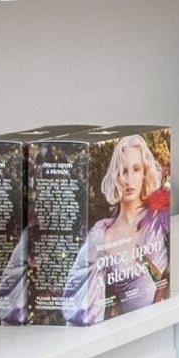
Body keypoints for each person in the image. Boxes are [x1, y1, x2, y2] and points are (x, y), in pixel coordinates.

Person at [59, 132, 170, 324]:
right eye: (122, 171)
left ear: (145, 173)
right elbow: (76, 299)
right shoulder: (102, 236)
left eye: (136, 169)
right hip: (134, 329)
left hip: (171, 315)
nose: (129, 179)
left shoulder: (160, 216)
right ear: (115, 177)